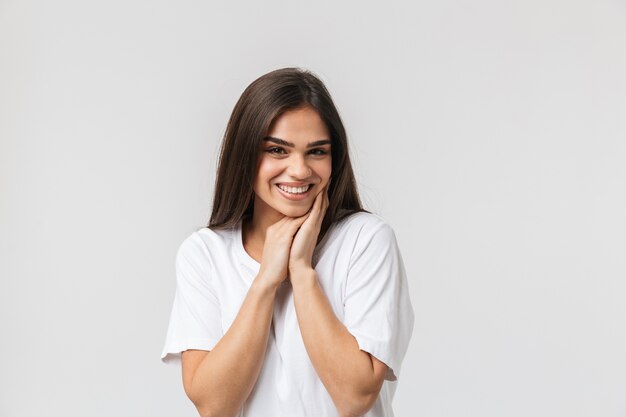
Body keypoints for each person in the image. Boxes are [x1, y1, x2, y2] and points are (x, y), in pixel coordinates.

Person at [161, 67, 414, 417]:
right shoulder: (204, 253)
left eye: (317, 152)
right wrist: (266, 279)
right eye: (278, 150)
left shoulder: (365, 240)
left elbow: (355, 397)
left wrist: (301, 270)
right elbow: (214, 406)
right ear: (245, 154)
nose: (299, 170)